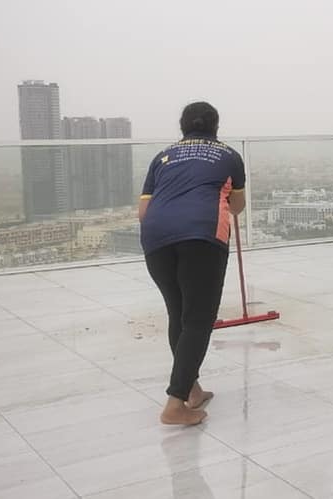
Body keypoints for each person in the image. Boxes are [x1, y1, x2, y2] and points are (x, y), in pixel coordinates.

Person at [138, 101, 246, 426]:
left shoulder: (163, 157)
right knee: (198, 319)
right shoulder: (228, 155)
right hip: (202, 237)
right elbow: (237, 206)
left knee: (179, 313)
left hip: (155, 239)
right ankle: (175, 404)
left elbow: (143, 211)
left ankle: (192, 390)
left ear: (182, 126)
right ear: (216, 126)